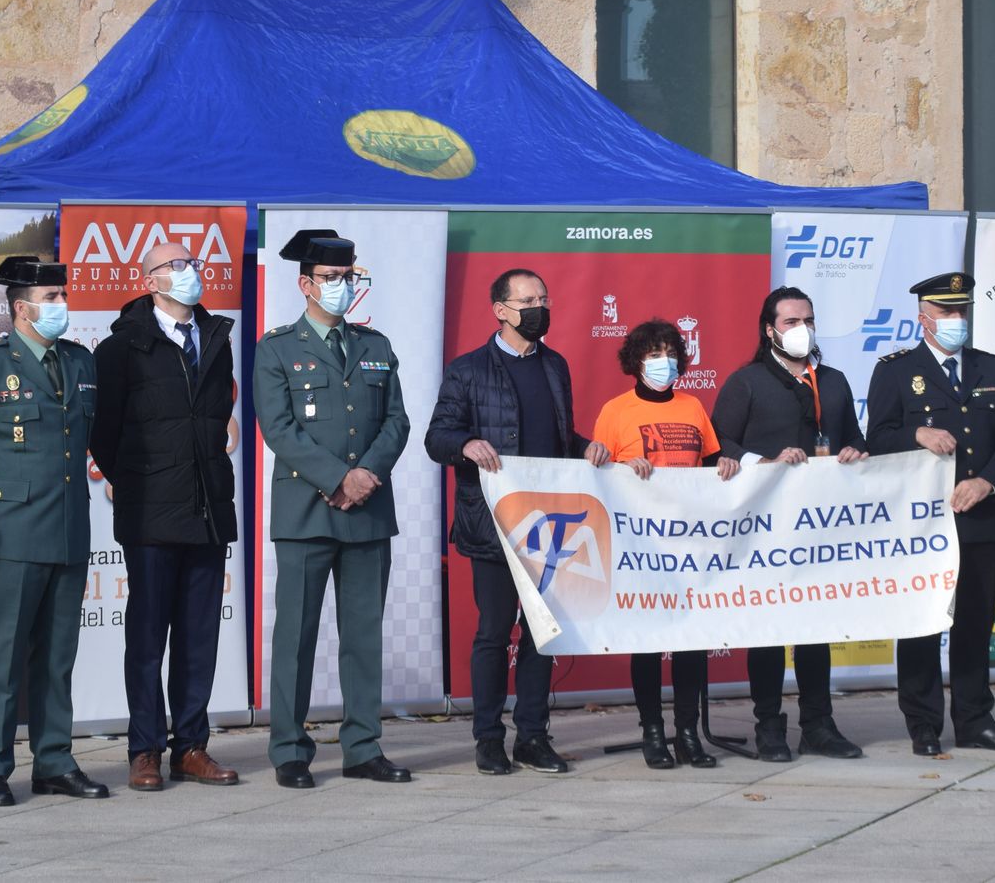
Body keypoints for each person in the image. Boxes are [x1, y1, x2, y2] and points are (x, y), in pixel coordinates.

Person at [0, 256, 108, 805]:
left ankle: (54, 760)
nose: (62, 305)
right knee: (3, 654)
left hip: (67, 529)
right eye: (52, 297)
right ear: (21, 307)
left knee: (58, 656)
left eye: (63, 295)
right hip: (10, 533)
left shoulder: (80, 362)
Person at [425, 268, 609, 776]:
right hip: (493, 527)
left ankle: (532, 735)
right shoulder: (467, 370)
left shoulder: (556, 366)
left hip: (549, 527)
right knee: (493, 633)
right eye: (528, 300)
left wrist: (584, 445)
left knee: (541, 634)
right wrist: (465, 443)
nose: (539, 308)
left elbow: (556, 436)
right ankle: (488, 738)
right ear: (501, 310)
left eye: (544, 298)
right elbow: (437, 437)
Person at [254, 229, 412, 788]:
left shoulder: (377, 347)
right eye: (331, 279)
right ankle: (290, 749)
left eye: (349, 279)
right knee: (295, 637)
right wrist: (337, 477)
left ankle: (363, 747)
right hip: (305, 510)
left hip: (367, 510)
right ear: (305, 284)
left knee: (363, 635)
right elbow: (278, 427)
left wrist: (365, 475)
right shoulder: (276, 348)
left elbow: (397, 421)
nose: (341, 288)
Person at [91, 242, 239, 792]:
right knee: (148, 635)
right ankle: (145, 749)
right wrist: (138, 483)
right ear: (149, 279)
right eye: (175, 266)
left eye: (193, 263)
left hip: (207, 508)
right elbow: (103, 433)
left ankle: (192, 747)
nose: (189, 273)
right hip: (151, 512)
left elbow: (218, 417)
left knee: (200, 636)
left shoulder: (216, 338)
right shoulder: (122, 347)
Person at [866, 272, 995, 756]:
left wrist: (987, 482)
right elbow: (876, 439)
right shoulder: (896, 370)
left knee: (975, 624)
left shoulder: (990, 367)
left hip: (979, 516)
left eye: (962, 311)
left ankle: (976, 719)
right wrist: (916, 435)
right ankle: (922, 723)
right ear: (924, 319)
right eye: (946, 312)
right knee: (921, 622)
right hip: (923, 523)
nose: (956, 320)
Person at [710, 286, 867, 762]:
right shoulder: (748, 382)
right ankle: (769, 726)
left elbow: (857, 439)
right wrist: (767, 460)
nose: (803, 330)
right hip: (765, 529)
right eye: (791, 322)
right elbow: (719, 444)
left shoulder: (834, 381)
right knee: (769, 628)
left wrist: (855, 452)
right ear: (770, 330)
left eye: (808, 320)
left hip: (821, 526)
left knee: (815, 627)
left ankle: (819, 724)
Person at [592, 319, 740, 770]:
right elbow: (597, 473)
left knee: (692, 642)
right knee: (650, 642)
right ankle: (653, 733)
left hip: (691, 543)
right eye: (654, 354)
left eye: (670, 352)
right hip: (642, 546)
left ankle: (688, 734)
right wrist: (621, 467)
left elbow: (713, 458)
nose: (664, 361)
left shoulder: (694, 406)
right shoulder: (614, 411)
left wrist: (728, 462)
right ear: (635, 361)